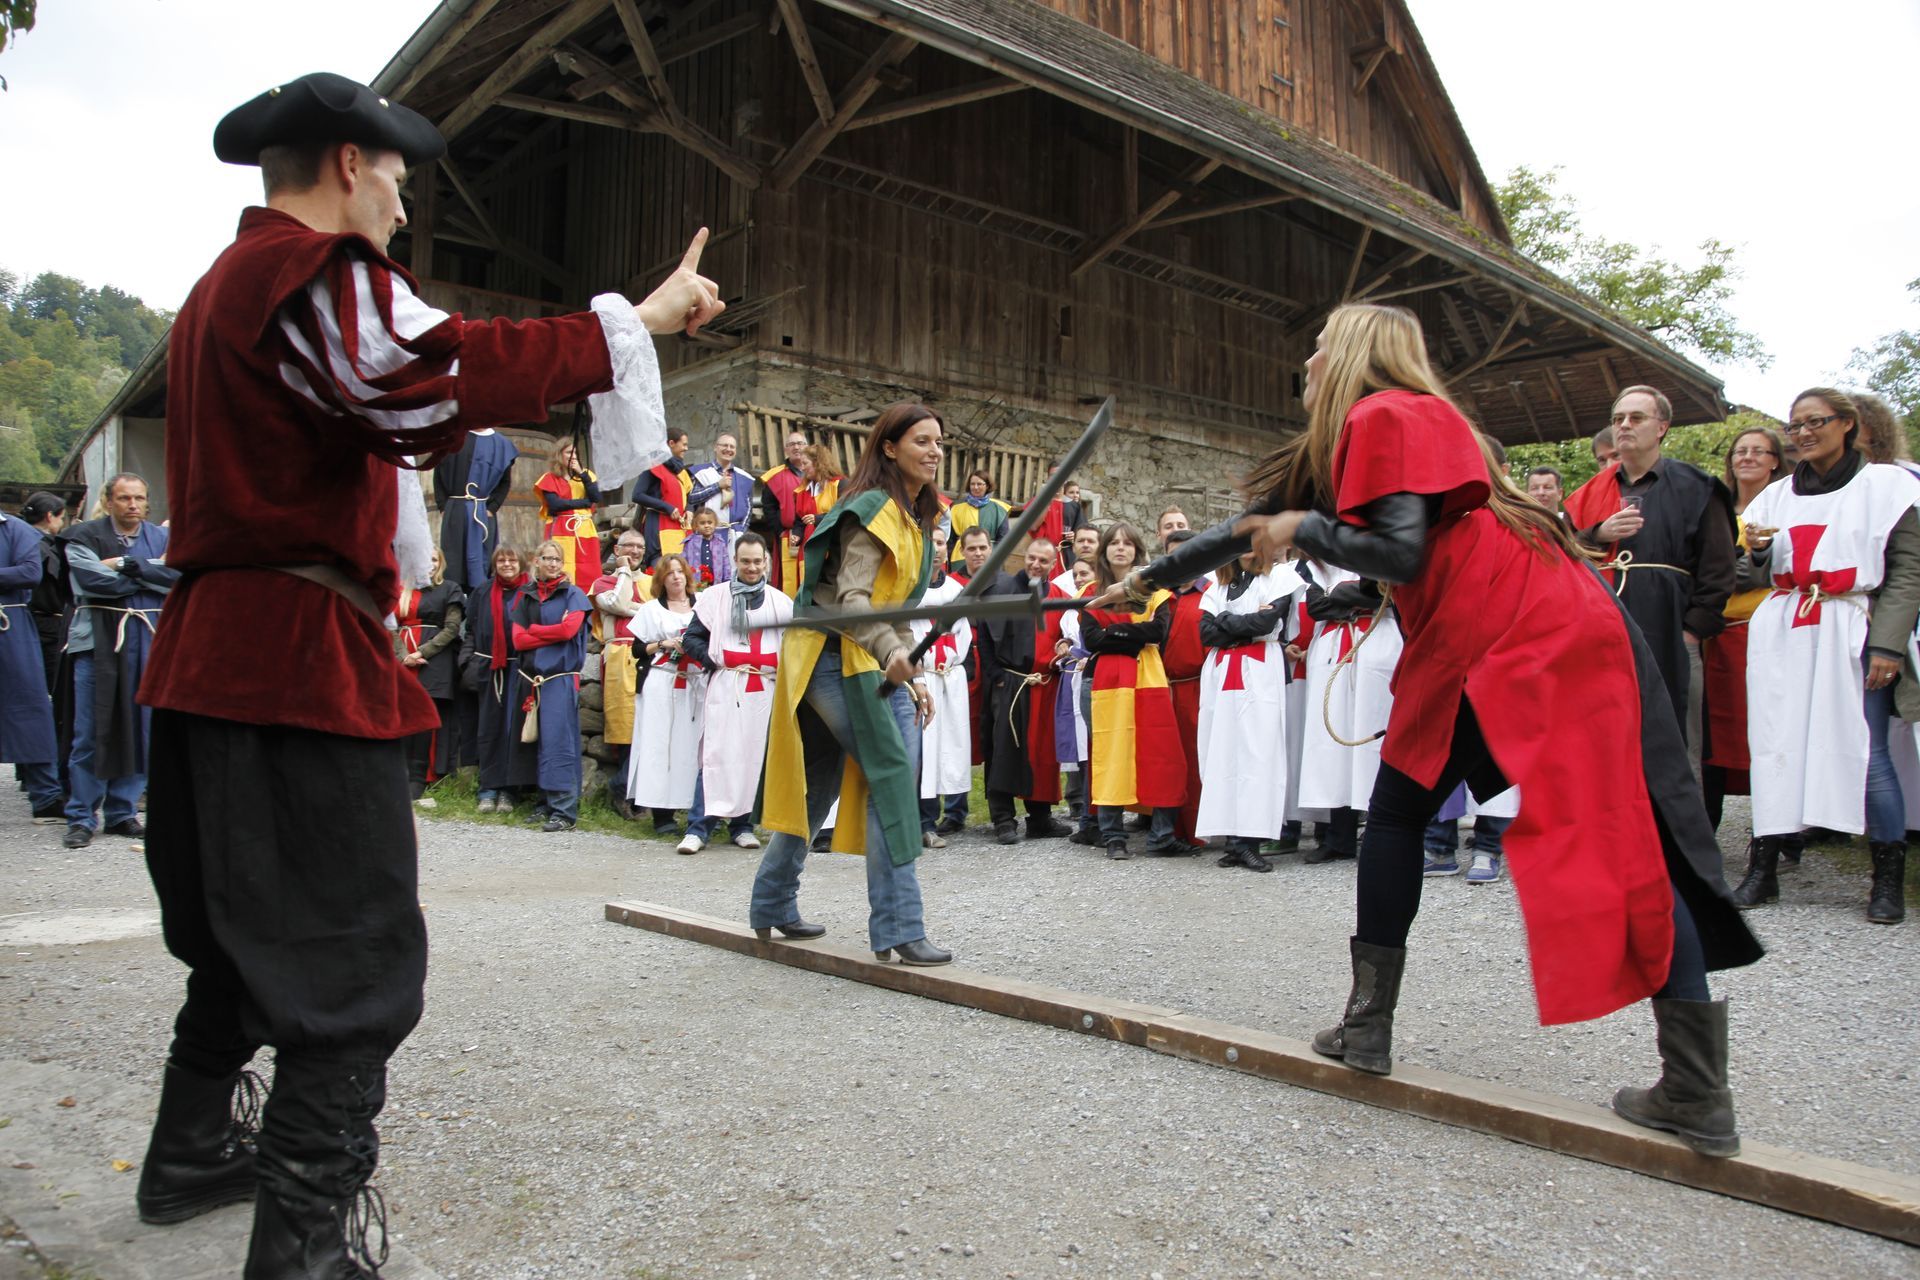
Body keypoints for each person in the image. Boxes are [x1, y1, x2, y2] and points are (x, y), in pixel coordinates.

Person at [134, 71, 722, 1270]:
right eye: (398, 174)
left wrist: (547, 391)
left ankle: (190, 1147)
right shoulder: (305, 273)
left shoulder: (223, 294)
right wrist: (634, 324)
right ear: (350, 164)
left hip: (222, 654)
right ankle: (304, 1250)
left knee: (246, 939)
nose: (404, 202)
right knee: (347, 958)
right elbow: (428, 365)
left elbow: (394, 409)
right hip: (289, 662)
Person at [1103, 303, 1762, 1157]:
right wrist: (1151, 579)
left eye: (1318, 345)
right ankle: (1688, 1090)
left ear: (1353, 354)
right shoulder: (1369, 432)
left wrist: (1302, 530)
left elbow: (1399, 553)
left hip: (1516, 626)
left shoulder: (1391, 414)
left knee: (1591, 833)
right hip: (1495, 622)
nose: (1306, 360)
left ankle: (1684, 1088)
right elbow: (1251, 525)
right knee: (1422, 810)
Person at [753, 402, 952, 965]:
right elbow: (854, 601)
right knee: (891, 773)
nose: (935, 450)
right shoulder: (872, 509)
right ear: (889, 448)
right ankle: (899, 926)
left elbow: (899, 611)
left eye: (939, 441)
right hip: (830, 651)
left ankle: (771, 904)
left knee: (818, 784)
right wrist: (891, 651)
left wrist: (912, 673)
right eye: (922, 440)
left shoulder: (918, 516)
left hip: (851, 652)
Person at [1737, 388, 1920, 923]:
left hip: (1851, 625)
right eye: (1795, 426)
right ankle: (1763, 869)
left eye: (1815, 421)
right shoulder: (1772, 497)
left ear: (1847, 423)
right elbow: (1748, 573)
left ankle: (1886, 882)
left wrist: (1887, 643)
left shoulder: (1886, 488)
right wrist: (1763, 553)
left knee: (1867, 753)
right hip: (1787, 627)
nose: (1804, 433)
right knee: (1775, 747)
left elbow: (1909, 572)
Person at [1564, 388, 1736, 738]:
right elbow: (1558, 557)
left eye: (1636, 418)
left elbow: (1719, 567)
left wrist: (1691, 632)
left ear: (1662, 427)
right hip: (1603, 634)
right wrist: (1597, 534)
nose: (1624, 426)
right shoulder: (1586, 495)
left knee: (1674, 733)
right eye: (1618, 419)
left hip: (1671, 629)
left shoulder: (1699, 488)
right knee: (1608, 735)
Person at [61, 473, 177, 850]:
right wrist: (147, 571)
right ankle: (81, 815)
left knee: (141, 727)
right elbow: (92, 582)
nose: (132, 504)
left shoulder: (163, 538)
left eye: (139, 498)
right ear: (109, 500)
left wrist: (126, 565)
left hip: (147, 638)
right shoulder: (83, 537)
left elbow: (177, 577)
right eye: (124, 497)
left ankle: (123, 811)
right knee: (92, 730)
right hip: (97, 643)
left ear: (147, 502)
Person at [1701, 428, 1791, 843]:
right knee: (1715, 737)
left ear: (1775, 460)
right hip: (1718, 635)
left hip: (1769, 632)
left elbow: (1772, 567)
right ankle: (1704, 831)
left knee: (1771, 732)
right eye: (1741, 450)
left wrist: (1715, 576)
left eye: (1759, 450)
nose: (1748, 457)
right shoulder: (1713, 506)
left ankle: (1780, 833)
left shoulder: (1789, 504)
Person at [678, 533, 787, 854]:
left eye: (757, 561)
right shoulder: (716, 598)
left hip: (763, 689)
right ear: (735, 562)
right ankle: (699, 828)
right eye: (745, 561)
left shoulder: (781, 603)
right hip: (727, 686)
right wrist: (714, 659)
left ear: (765, 562)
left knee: (753, 757)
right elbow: (691, 639)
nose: (751, 567)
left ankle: (742, 826)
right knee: (716, 755)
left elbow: (792, 648)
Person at [1082, 521, 1186, 859]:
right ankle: (1113, 836)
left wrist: (1118, 636)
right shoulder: (1091, 594)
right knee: (1112, 755)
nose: (1120, 548)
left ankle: (1162, 835)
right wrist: (1133, 635)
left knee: (1160, 753)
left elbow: (1158, 633)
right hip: (1110, 681)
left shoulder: (1156, 593)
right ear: (1105, 550)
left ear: (1137, 550)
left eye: (1127, 543)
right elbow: (1092, 639)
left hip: (1149, 679)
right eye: (1114, 543)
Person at [1294, 559, 1401, 863]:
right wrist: (1353, 595)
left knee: (1372, 739)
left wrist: (1340, 594)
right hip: (1333, 649)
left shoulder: (1381, 549)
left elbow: (1386, 594)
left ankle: (1380, 834)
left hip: (1377, 643)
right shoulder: (1322, 561)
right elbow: (1316, 605)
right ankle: (1338, 838)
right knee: (1334, 743)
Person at [1196, 549, 1296, 872]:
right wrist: (1243, 622)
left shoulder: (1278, 578)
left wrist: (1226, 620)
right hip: (1222, 670)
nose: (1249, 548)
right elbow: (1205, 632)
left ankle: (1251, 841)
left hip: (1259, 669)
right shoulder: (1218, 586)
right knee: (1222, 752)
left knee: (1258, 752)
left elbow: (1268, 621)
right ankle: (1233, 842)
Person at [976, 537, 1069, 844]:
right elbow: (986, 639)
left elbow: (1067, 635)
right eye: (1031, 558)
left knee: (1041, 753)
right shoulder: (1001, 593)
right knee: (1003, 750)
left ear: (1053, 564)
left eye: (1043, 561)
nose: (1035, 565)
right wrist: (996, 675)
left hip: (1044, 684)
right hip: (1010, 683)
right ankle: (1003, 819)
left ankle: (1039, 818)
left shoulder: (1058, 596)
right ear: (1023, 557)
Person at [510, 541, 593, 832]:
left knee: (559, 742)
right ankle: (545, 803)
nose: (552, 563)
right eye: (547, 558)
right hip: (534, 679)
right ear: (537, 561)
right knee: (540, 743)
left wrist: (535, 630)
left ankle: (564, 810)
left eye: (557, 559)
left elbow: (569, 630)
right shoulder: (527, 596)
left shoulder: (573, 595)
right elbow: (518, 641)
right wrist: (549, 633)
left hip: (559, 677)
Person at [628, 553, 704, 835]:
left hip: (695, 683)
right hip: (662, 682)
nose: (676, 577)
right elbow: (637, 649)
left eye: (680, 572)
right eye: (670, 573)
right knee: (659, 745)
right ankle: (662, 815)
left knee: (692, 745)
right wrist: (664, 643)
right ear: (662, 579)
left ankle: (698, 810)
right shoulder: (651, 611)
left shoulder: (703, 607)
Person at [2, 502, 62, 823]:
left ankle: (46, 796)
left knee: (30, 706)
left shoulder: (16, 530)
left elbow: (29, 573)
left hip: (9, 626)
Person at [913, 527, 972, 849]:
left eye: (940, 543)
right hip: (922, 680)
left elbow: (964, 637)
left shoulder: (957, 590)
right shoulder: (910, 590)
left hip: (950, 677)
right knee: (924, 752)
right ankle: (922, 821)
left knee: (951, 747)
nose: (935, 549)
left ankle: (948, 814)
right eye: (929, 543)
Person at [394, 547, 465, 804]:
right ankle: (398, 775)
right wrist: (404, 655)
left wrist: (421, 652)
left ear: (441, 563)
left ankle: (418, 778)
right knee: (401, 718)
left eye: (434, 560)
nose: (430, 564)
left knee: (423, 720)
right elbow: (390, 625)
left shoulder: (449, 589)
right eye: (425, 559)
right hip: (402, 661)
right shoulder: (402, 589)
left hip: (433, 661)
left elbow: (452, 628)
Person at [937, 523, 994, 832]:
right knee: (956, 735)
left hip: (993, 668)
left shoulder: (1000, 584)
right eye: (971, 548)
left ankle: (999, 810)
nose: (977, 553)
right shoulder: (952, 585)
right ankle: (955, 810)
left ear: (991, 548)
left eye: (982, 547)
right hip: (961, 668)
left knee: (993, 739)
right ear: (962, 552)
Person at [470, 545, 536, 814]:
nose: (507, 564)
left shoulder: (530, 593)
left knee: (513, 731)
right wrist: (471, 664)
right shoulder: (483, 592)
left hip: (519, 670)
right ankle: (488, 788)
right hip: (491, 668)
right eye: (502, 560)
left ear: (521, 563)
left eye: (512, 559)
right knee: (490, 730)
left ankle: (509, 791)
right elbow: (470, 629)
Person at [591, 530, 651, 818]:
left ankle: (630, 788)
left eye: (640, 546)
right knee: (626, 725)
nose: (636, 550)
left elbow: (658, 612)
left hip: (650, 655)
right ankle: (625, 790)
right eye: (630, 546)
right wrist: (625, 571)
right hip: (619, 655)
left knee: (649, 724)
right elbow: (615, 603)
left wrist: (631, 608)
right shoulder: (603, 581)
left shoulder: (652, 581)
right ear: (617, 549)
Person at [1160, 527, 1209, 849]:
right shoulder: (1162, 596)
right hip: (1162, 687)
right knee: (1165, 759)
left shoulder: (1210, 595)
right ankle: (1163, 828)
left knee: (1195, 759)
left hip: (1196, 686)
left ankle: (1195, 829)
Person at [433, 426, 518, 591]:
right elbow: (439, 474)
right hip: (455, 510)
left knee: (482, 562)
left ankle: (481, 602)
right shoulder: (453, 438)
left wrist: (492, 508)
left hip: (482, 511)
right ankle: (456, 604)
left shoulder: (501, 444)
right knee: (454, 562)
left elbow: (505, 483)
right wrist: (443, 505)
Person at [21, 492, 69, 717]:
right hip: (47, 623)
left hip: (23, 621)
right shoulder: (41, 548)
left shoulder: (17, 540)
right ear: (51, 516)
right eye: (62, 518)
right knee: (49, 687)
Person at [535, 438, 603, 590]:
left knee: (589, 571)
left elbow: (596, 498)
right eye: (568, 452)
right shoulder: (549, 478)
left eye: (575, 453)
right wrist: (584, 503)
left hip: (584, 530)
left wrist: (582, 474)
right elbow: (555, 504)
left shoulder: (587, 476)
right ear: (559, 455)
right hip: (560, 530)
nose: (573, 456)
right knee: (559, 566)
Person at [760, 429, 812, 596]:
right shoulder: (775, 476)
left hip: (814, 532)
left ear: (807, 447)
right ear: (786, 450)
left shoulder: (817, 472)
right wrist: (780, 531)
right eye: (792, 444)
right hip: (788, 537)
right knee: (788, 582)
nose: (797, 447)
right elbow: (768, 506)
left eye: (800, 443)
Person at [636, 425, 695, 562]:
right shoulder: (652, 466)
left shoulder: (680, 471)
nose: (686, 448)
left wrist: (689, 510)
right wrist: (667, 507)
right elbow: (638, 495)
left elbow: (689, 496)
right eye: (684, 444)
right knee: (661, 567)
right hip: (657, 527)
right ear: (671, 443)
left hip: (679, 528)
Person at [689, 430, 756, 539]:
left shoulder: (744, 478)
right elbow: (692, 498)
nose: (728, 449)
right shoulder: (701, 473)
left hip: (735, 535)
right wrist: (717, 486)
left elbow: (748, 509)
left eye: (732, 447)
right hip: (706, 534)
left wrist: (741, 531)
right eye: (725, 445)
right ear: (715, 447)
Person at [946, 468, 1011, 569]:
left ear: (987, 486)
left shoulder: (1000, 509)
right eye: (972, 484)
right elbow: (950, 539)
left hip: (990, 559)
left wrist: (997, 559)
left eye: (979, 484)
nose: (975, 487)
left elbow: (1004, 539)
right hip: (960, 559)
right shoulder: (956, 507)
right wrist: (948, 559)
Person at [683, 505, 732, 586]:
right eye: (702, 523)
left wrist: (727, 581)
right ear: (696, 525)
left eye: (710, 522)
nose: (706, 526)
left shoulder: (720, 543)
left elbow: (726, 564)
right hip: (696, 586)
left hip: (716, 586)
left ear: (715, 523)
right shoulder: (690, 543)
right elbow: (683, 563)